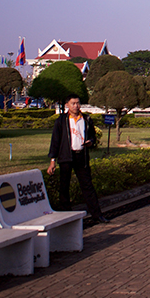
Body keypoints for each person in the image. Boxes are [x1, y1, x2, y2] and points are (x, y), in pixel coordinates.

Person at [47, 94, 109, 222]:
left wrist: (91, 142)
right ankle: (66, 216)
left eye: (78, 103)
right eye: (73, 103)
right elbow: (55, 141)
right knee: (64, 186)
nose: (76, 106)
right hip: (66, 157)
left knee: (87, 185)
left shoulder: (86, 119)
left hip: (81, 156)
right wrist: (52, 160)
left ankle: (97, 215)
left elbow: (92, 135)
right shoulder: (61, 120)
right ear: (67, 105)